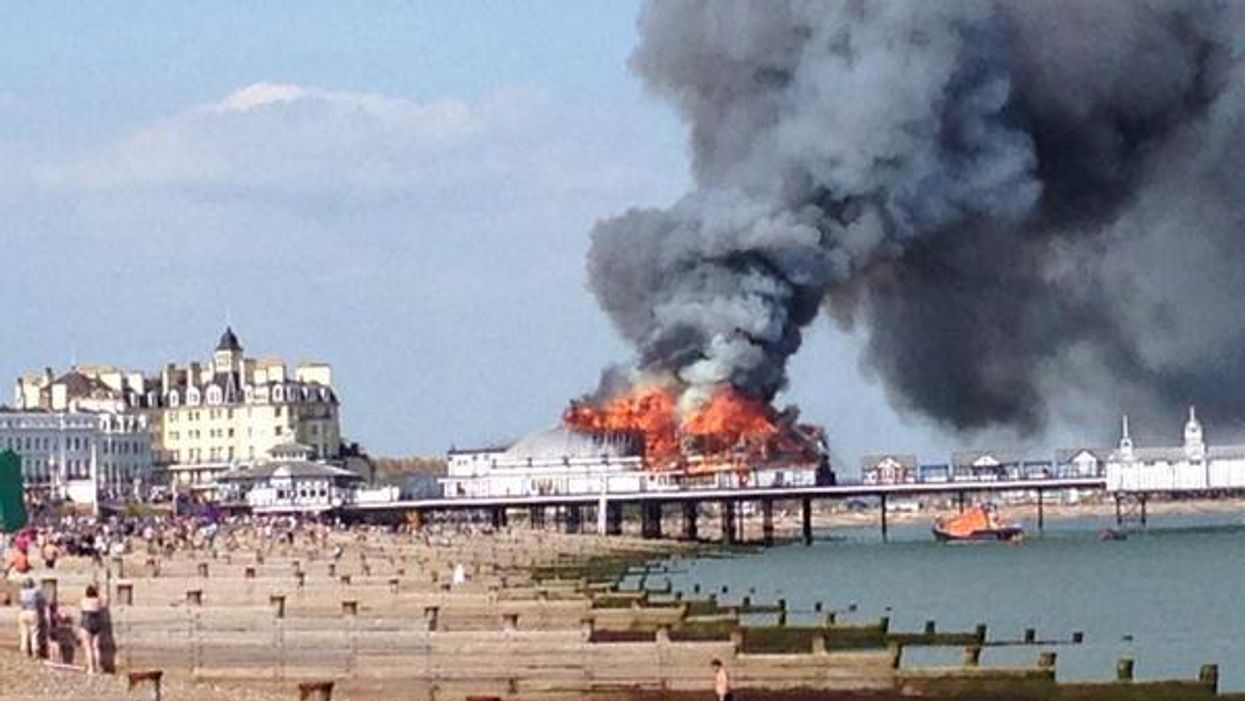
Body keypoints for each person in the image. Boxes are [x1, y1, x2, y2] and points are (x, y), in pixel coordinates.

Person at [77, 584, 105, 674]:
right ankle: (98, 667)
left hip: (86, 623)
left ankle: (91, 668)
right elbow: (104, 601)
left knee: (88, 647)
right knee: (96, 647)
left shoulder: (84, 601)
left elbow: (81, 609)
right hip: (97, 624)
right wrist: (99, 591)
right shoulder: (98, 601)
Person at [17, 578, 44, 658]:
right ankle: (35, 650)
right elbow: (41, 602)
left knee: (24, 633)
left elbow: (20, 601)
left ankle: (24, 650)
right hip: (32, 611)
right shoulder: (36, 592)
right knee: (34, 632)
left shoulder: (21, 592)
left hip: (23, 612)